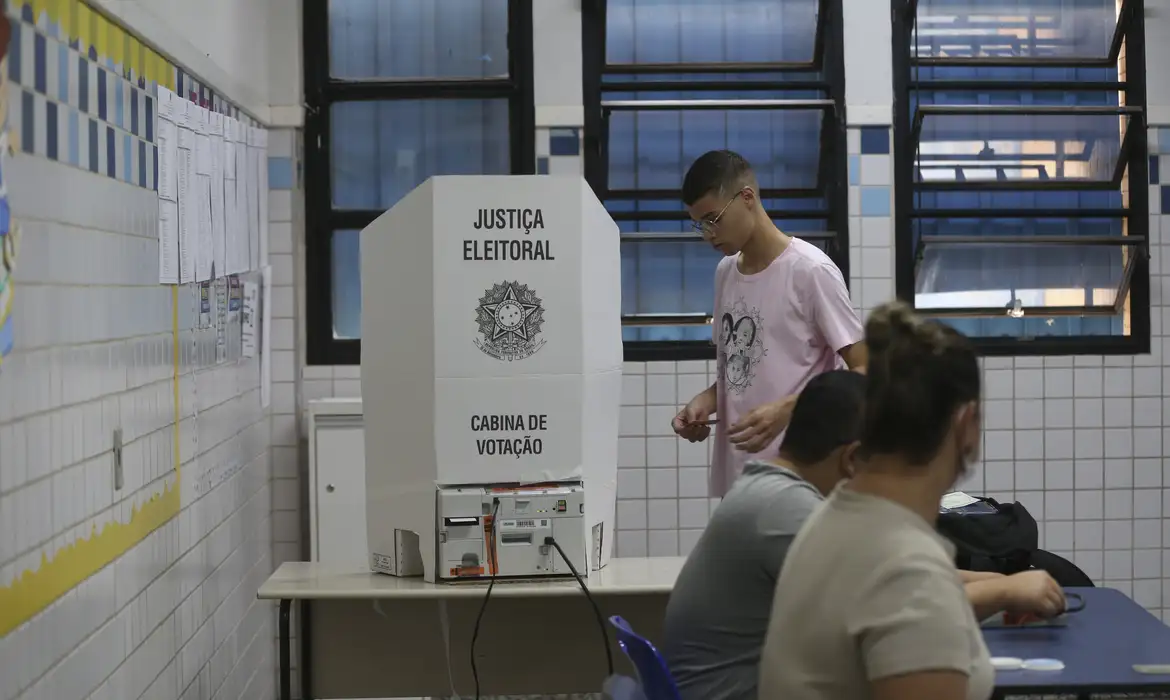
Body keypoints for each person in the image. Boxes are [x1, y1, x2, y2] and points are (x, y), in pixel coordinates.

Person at [663, 369, 1066, 700]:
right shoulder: (783, 511)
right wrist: (1006, 593)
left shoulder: (773, 491)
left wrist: (1004, 580)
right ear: (852, 459)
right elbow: (906, 604)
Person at [759, 303, 1067, 700]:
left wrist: (1002, 587)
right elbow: (906, 590)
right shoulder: (907, 568)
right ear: (966, 423)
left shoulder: (832, 521)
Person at [669, 150, 866, 496]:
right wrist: (706, 400)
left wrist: (790, 408)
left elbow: (867, 371)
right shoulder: (726, 273)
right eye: (700, 224)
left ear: (747, 198)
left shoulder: (810, 272)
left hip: (803, 479)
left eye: (713, 219)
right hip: (740, 480)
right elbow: (742, 371)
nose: (708, 234)